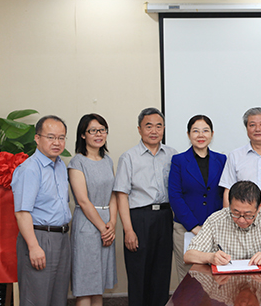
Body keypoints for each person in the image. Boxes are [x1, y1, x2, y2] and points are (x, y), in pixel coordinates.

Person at [113, 108, 177, 306]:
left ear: (164, 129)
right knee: (138, 274)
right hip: (139, 219)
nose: (154, 131)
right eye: (148, 126)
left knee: (162, 273)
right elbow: (121, 195)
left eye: (159, 126)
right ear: (139, 129)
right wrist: (128, 230)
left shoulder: (172, 155)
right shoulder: (129, 157)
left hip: (165, 217)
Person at [11, 115, 71, 306]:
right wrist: (33, 247)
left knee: (59, 298)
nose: (57, 142)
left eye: (61, 138)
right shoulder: (30, 169)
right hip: (39, 237)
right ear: (37, 138)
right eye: (51, 137)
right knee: (36, 298)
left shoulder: (60, 166)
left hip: (62, 238)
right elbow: (22, 212)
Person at [184, 180, 261, 266]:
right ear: (229, 205)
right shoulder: (216, 220)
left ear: (259, 207)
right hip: (227, 284)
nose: (241, 220)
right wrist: (210, 257)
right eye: (235, 213)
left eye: (248, 215)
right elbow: (189, 255)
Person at [169, 115, 227, 282]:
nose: (201, 135)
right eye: (195, 131)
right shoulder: (179, 160)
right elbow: (175, 196)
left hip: (216, 229)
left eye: (205, 131)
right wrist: (194, 227)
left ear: (212, 134)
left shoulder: (221, 160)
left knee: (217, 278)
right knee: (189, 279)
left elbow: (225, 193)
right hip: (186, 228)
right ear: (188, 134)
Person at [68, 113, 117, 306]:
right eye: (93, 131)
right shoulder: (77, 162)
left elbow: (113, 194)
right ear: (83, 135)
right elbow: (83, 200)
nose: (99, 134)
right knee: (85, 285)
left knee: (99, 286)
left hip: (106, 224)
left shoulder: (108, 161)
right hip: (87, 225)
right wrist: (103, 228)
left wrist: (112, 222)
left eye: (102, 130)